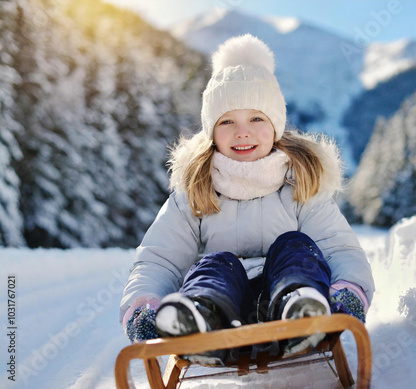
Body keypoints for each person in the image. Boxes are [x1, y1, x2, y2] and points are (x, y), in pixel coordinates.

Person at [119, 34, 375, 364]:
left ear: (276, 126)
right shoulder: (195, 192)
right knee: (215, 263)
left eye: (256, 118)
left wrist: (349, 290)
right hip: (225, 312)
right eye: (227, 121)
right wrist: (144, 303)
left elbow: (338, 247)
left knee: (296, 246)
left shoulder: (301, 184)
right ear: (211, 132)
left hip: (286, 305)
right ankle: (199, 319)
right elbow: (160, 258)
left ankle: (302, 309)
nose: (242, 132)